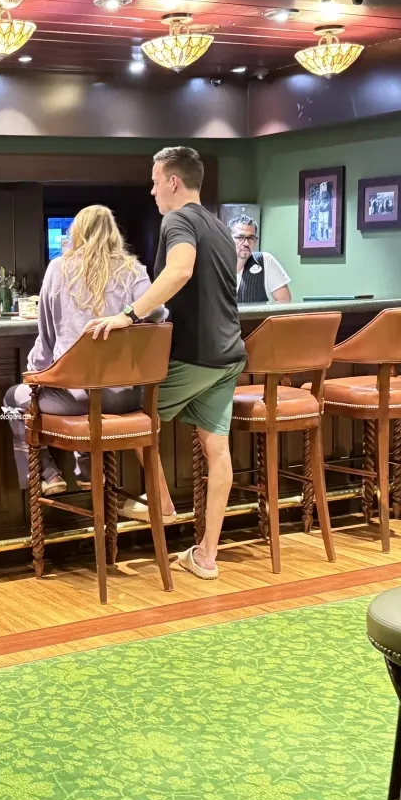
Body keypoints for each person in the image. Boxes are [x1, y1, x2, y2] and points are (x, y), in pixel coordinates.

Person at [87, 146, 244, 580]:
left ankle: (162, 501)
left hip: (193, 356)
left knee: (131, 419)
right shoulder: (220, 226)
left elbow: (180, 271)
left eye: (156, 181)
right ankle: (206, 556)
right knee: (217, 450)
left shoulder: (177, 220)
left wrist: (128, 315)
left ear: (174, 181)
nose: (152, 190)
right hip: (228, 355)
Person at [2, 206, 156, 494]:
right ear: (114, 234)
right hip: (128, 399)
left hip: (75, 400)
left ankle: (49, 474)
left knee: (13, 399)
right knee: (87, 393)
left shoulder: (58, 268)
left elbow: (46, 338)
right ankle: (86, 467)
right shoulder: (135, 270)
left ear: (76, 233)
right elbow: (159, 315)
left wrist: (35, 374)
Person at [231, 217, 292, 304]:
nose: (246, 243)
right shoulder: (215, 263)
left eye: (251, 238)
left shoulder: (265, 260)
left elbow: (284, 301)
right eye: (240, 237)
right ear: (227, 239)